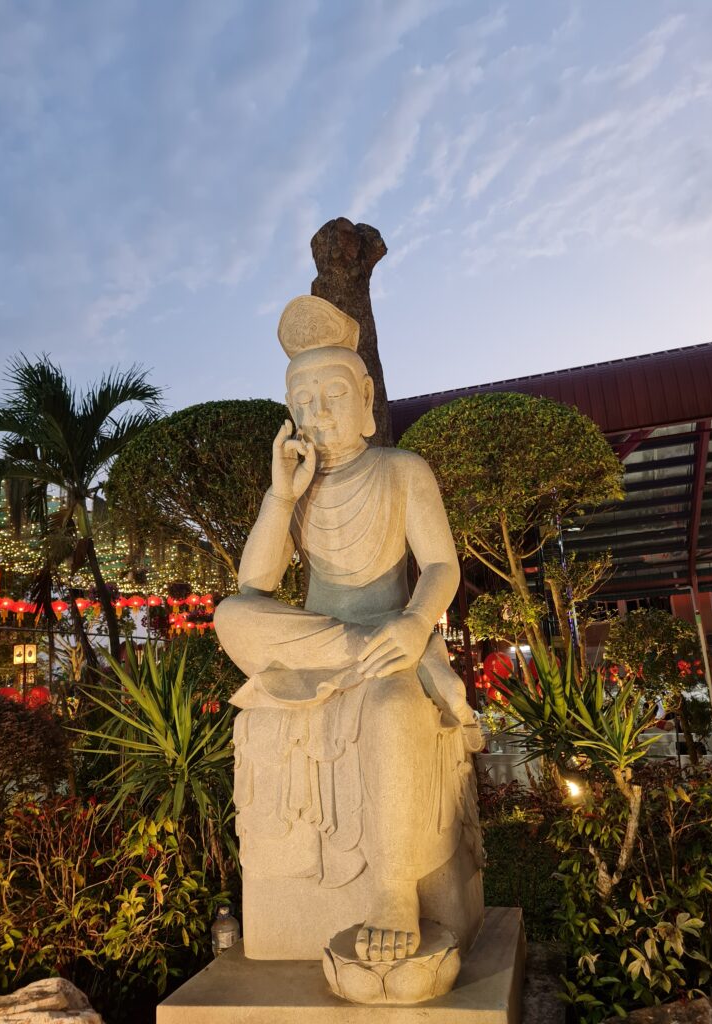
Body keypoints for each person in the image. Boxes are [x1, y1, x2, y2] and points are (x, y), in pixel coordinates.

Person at [215, 295, 483, 964]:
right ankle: (364, 651)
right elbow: (254, 585)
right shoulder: (298, 488)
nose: (320, 413)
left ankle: (393, 892)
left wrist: (416, 623)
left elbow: (442, 565)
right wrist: (281, 495)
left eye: (333, 396)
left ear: (365, 399)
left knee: (391, 709)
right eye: (303, 403)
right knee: (229, 615)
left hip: (394, 635)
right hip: (331, 641)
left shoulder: (401, 470)